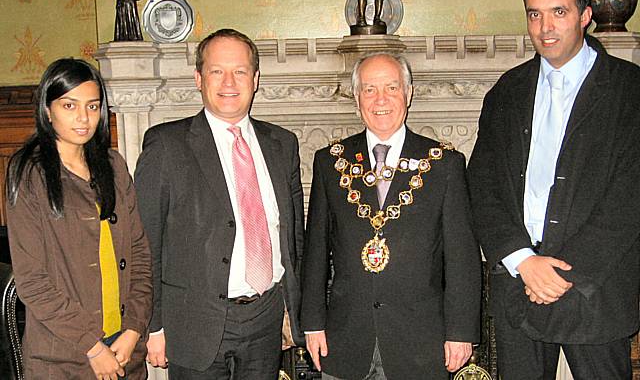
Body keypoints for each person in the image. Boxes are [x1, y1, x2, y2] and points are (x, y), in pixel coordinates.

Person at [467, 0, 640, 379]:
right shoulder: (506, 92)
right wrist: (524, 261)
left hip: (595, 292)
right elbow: (482, 185)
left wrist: (560, 275)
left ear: (585, 15)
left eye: (558, 12)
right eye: (534, 14)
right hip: (518, 287)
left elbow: (629, 198)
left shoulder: (630, 91)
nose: (545, 27)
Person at [135, 28, 304, 379]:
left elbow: (292, 238)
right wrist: (153, 327)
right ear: (199, 78)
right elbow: (145, 244)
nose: (229, 81)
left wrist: (292, 309)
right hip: (194, 323)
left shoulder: (282, 145)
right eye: (217, 71)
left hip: (266, 318)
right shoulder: (166, 145)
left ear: (255, 79)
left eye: (240, 71)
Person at [301, 52, 481, 379]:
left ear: (408, 93)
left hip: (422, 343)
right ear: (357, 98)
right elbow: (314, 250)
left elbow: (462, 256)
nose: (380, 99)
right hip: (345, 340)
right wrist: (312, 324)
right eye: (369, 89)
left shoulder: (443, 164)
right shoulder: (330, 162)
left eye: (392, 88)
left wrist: (461, 331)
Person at [5, 58, 152, 379]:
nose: (84, 118)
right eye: (69, 105)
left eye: (93, 106)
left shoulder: (113, 165)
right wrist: (93, 347)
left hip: (125, 347)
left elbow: (140, 254)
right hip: (64, 355)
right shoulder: (29, 174)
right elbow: (32, 281)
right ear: (48, 110)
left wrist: (133, 330)